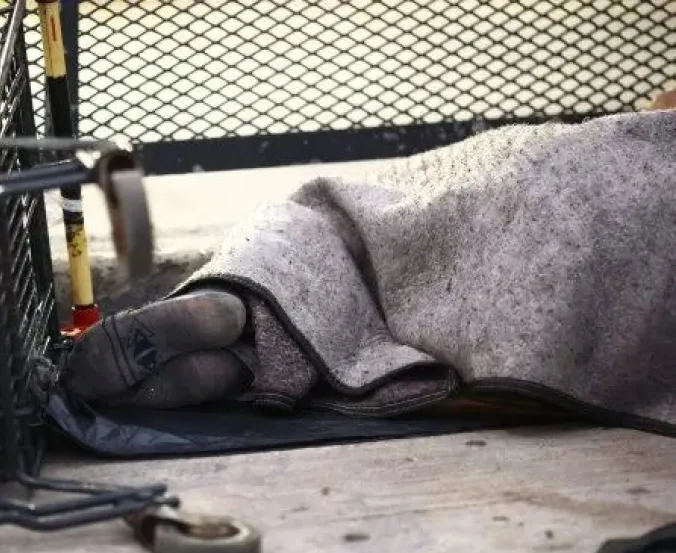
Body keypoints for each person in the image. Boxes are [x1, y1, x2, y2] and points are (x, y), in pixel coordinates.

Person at [62, 88, 676, 436]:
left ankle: (244, 307)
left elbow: (657, 111)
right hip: (625, 221)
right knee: (424, 330)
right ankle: (249, 366)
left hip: (572, 165)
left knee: (347, 216)